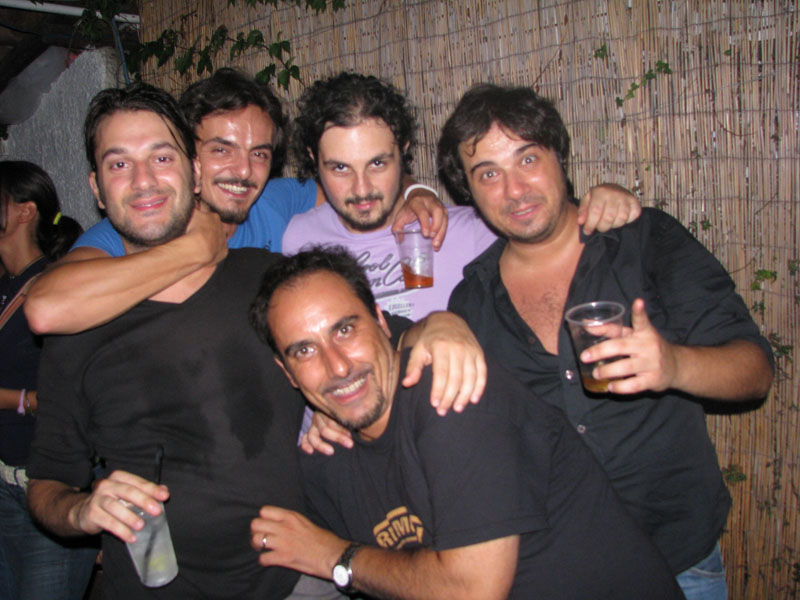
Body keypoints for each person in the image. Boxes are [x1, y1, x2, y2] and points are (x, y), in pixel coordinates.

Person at [24, 83, 485, 600]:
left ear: (193, 171)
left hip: (297, 578)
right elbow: (47, 484)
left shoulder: (267, 277)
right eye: (118, 164)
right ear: (96, 187)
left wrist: (438, 324)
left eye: (161, 157)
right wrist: (80, 511)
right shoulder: (80, 319)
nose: (144, 180)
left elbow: (373, 336)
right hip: (151, 586)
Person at [436, 83, 774, 599]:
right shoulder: (472, 300)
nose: (514, 189)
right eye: (488, 173)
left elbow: (754, 371)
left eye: (528, 158)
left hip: (679, 562)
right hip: (555, 574)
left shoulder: (645, 240)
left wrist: (674, 366)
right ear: (468, 190)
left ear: (560, 155)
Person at [246, 246, 685, 600]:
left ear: (381, 321)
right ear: (288, 373)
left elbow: (471, 591)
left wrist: (335, 556)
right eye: (304, 351)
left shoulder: (451, 394)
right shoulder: (325, 461)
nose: (338, 366)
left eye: (345, 330)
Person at [23, 68, 445, 336]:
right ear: (188, 158)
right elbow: (45, 308)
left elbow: (358, 179)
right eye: (221, 150)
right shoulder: (134, 232)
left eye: (259, 153)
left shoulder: (274, 202)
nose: (244, 171)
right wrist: (196, 248)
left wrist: (415, 191)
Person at [281, 72, 641, 320]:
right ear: (314, 158)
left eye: (377, 163)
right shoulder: (297, 239)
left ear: (402, 150)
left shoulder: (472, 232)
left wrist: (607, 198)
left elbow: (551, 229)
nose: (361, 189)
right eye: (340, 168)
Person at [0, 160, 96, 600]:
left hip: (48, 485)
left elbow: (78, 397)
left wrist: (11, 399)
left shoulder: (53, 289)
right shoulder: (6, 285)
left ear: (25, 211)